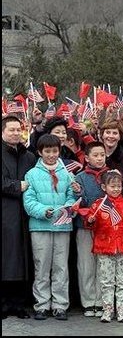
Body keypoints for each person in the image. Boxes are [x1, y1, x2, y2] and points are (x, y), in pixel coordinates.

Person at [23, 134, 79, 321]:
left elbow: (72, 196)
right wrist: (43, 210)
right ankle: (41, 304)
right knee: (42, 266)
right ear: (40, 152)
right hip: (40, 226)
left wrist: (70, 207)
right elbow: (29, 201)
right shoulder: (32, 174)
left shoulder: (66, 173)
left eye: (54, 151)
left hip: (62, 226)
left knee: (61, 267)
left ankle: (60, 304)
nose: (51, 155)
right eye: (47, 151)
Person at [78, 170, 123, 323]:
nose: (116, 189)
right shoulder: (98, 205)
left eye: (119, 186)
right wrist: (90, 220)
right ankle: (107, 309)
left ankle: (121, 310)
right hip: (104, 248)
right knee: (106, 281)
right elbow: (91, 226)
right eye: (112, 186)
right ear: (104, 187)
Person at [2, 115, 36, 320]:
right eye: (11, 130)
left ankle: (18, 303)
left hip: (26, 213)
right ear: (3, 131)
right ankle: (4, 304)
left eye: (18, 130)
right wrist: (17, 186)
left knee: (23, 260)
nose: (15, 133)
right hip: (6, 212)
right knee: (6, 259)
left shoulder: (29, 156)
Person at [73, 141, 109, 318]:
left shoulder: (111, 175)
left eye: (102, 154)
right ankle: (88, 301)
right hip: (85, 227)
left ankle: (101, 301)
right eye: (95, 155)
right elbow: (78, 202)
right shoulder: (79, 178)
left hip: (106, 227)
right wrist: (78, 193)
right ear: (86, 158)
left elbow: (117, 198)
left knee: (103, 265)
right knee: (86, 265)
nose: (99, 158)